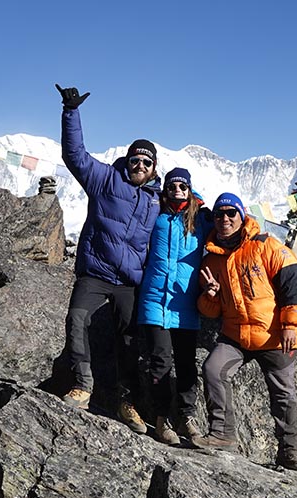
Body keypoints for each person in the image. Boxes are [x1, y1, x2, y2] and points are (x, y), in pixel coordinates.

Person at [54, 84, 162, 435]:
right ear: (127, 161)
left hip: (130, 281)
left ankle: (126, 400)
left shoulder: (158, 201)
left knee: (132, 341)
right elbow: (76, 155)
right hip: (96, 272)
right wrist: (71, 112)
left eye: (146, 162)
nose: (139, 165)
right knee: (77, 319)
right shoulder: (105, 179)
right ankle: (83, 385)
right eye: (135, 160)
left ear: (154, 168)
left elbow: (192, 219)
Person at [193, 192, 297, 472]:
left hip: (273, 335)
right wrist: (209, 295)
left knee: (283, 394)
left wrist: (291, 325)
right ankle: (222, 434)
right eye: (219, 214)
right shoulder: (211, 261)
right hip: (235, 336)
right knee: (213, 369)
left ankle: (289, 452)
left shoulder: (266, 245)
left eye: (231, 213)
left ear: (242, 216)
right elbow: (210, 312)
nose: (224, 219)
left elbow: (294, 282)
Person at [136, 167, 212, 445]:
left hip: (185, 305)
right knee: (160, 362)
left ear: (190, 189)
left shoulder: (201, 219)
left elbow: (232, 229)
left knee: (186, 365)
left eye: (182, 186)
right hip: (155, 301)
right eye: (172, 186)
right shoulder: (154, 214)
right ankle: (161, 419)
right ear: (164, 189)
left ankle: (186, 416)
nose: (177, 191)